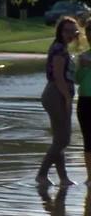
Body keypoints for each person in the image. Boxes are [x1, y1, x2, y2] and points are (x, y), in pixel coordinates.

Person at [36, 16, 81, 186]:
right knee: (63, 140)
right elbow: (58, 77)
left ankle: (63, 178)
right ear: (60, 32)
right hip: (56, 94)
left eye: (73, 31)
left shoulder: (62, 48)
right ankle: (41, 174)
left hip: (57, 94)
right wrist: (68, 98)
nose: (70, 34)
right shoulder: (59, 49)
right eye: (67, 31)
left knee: (59, 139)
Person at [77, 20, 91, 184]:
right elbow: (77, 79)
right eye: (88, 33)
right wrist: (83, 67)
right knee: (88, 139)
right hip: (85, 100)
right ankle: (90, 176)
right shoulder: (83, 56)